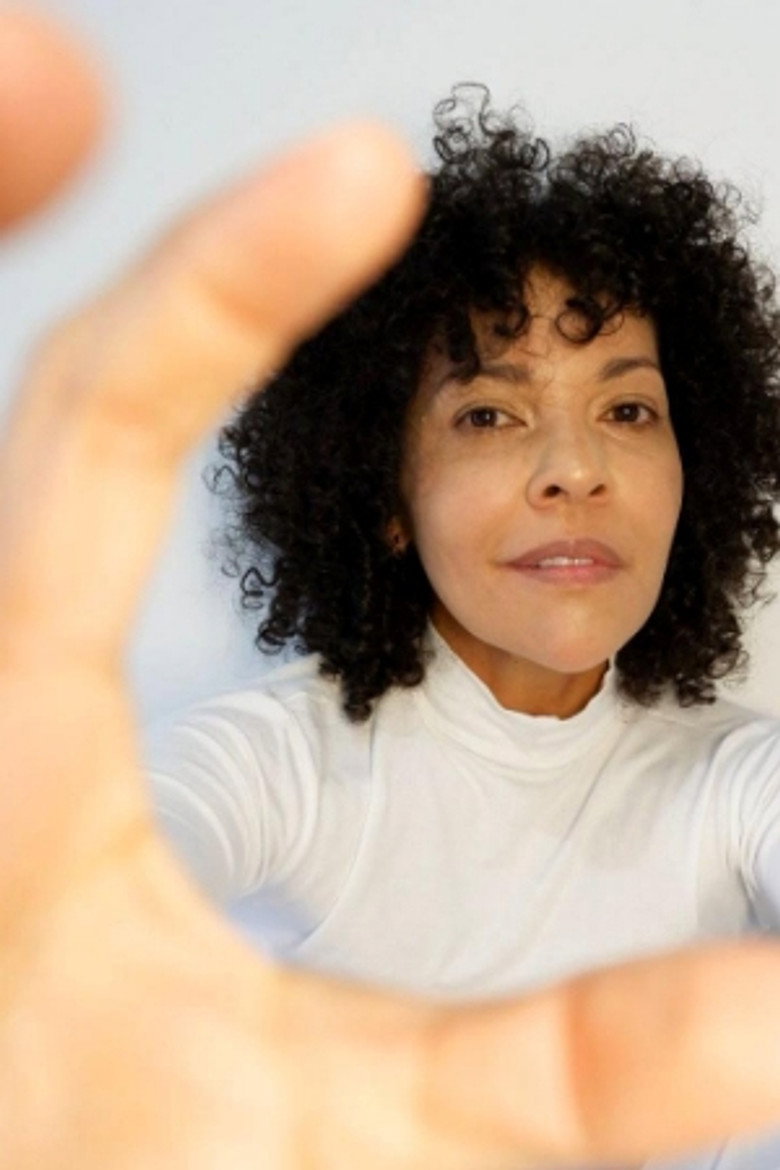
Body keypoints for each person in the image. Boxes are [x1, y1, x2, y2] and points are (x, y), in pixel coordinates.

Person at [7, 8, 780, 1170]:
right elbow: (107, 862)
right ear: (386, 494)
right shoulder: (285, 761)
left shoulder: (738, 779)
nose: (577, 468)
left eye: (628, 408)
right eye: (490, 414)